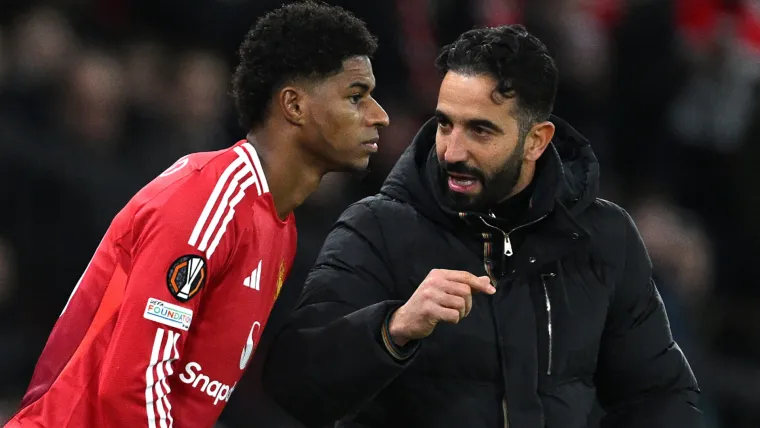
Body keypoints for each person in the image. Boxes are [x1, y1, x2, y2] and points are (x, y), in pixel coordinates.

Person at [263, 24, 704, 428]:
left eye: (480, 131)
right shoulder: (376, 230)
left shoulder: (603, 236)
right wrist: (391, 329)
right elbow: (295, 384)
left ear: (536, 141)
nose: (453, 150)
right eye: (444, 124)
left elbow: (659, 396)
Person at [4, 2, 388, 427]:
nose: (380, 116)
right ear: (294, 106)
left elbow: (191, 396)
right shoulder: (209, 200)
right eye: (357, 97)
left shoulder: (280, 227)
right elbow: (130, 391)